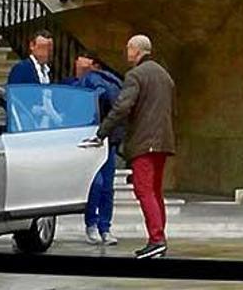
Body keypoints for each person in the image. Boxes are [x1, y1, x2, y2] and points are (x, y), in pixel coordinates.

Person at [84, 35, 175, 259]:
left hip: (145, 141)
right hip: (163, 140)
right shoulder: (164, 75)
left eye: (128, 48)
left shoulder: (135, 75)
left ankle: (156, 240)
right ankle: (159, 238)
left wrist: (101, 132)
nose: (126, 52)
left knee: (144, 190)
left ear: (136, 50)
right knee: (155, 191)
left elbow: (122, 106)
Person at [63, 51, 124, 246]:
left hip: (97, 138)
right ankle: (99, 226)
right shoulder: (74, 83)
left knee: (101, 185)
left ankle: (100, 226)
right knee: (100, 185)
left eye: (83, 57)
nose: (78, 60)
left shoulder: (95, 80)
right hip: (99, 139)